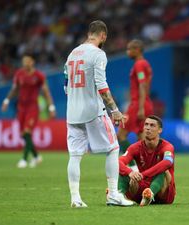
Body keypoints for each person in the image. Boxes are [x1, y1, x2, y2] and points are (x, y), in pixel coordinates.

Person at [64, 20, 134, 208]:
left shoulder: (72, 54)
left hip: (72, 113)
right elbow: (101, 86)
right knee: (112, 148)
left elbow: (66, 86)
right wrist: (115, 110)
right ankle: (113, 194)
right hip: (93, 111)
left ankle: (75, 198)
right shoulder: (98, 54)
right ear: (103, 35)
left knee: (75, 155)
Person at [2, 55, 56, 168]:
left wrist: (51, 107)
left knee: (27, 132)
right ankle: (36, 156)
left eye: (28, 61)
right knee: (23, 134)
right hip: (21, 108)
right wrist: (6, 100)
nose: (26, 64)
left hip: (32, 108)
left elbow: (46, 92)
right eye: (24, 62)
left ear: (33, 62)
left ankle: (24, 159)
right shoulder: (19, 74)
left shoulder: (39, 76)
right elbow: (14, 89)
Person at [119, 115, 176, 206]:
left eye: (152, 125)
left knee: (163, 170)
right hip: (142, 192)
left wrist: (143, 174)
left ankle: (150, 194)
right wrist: (130, 172)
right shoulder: (135, 147)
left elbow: (167, 162)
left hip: (163, 195)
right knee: (123, 171)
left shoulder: (167, 147)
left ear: (160, 130)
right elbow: (119, 162)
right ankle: (119, 195)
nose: (148, 128)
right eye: (146, 125)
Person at [117, 39, 154, 155]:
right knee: (141, 137)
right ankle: (145, 166)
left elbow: (142, 85)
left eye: (129, 49)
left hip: (138, 104)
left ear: (137, 50)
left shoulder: (139, 64)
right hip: (146, 103)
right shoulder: (145, 64)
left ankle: (132, 164)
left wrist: (141, 107)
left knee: (121, 135)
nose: (127, 52)